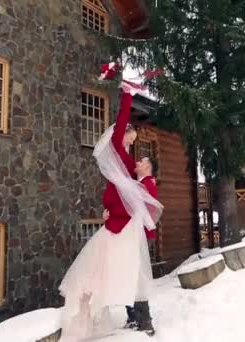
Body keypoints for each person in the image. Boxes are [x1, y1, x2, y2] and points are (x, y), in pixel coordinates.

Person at [58, 72, 163, 341]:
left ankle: (142, 318)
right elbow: (119, 128)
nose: (133, 137)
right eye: (132, 134)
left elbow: (137, 198)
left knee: (130, 268)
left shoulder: (130, 167)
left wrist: (114, 210)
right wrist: (127, 95)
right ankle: (133, 315)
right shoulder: (122, 157)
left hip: (124, 225)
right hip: (119, 224)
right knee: (120, 267)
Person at [104, 157, 159, 335]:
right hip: (133, 235)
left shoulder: (148, 184)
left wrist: (112, 214)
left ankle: (144, 321)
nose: (137, 162)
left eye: (142, 161)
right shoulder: (141, 183)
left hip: (138, 237)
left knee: (137, 278)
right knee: (131, 275)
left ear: (148, 167)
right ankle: (134, 316)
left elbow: (134, 208)